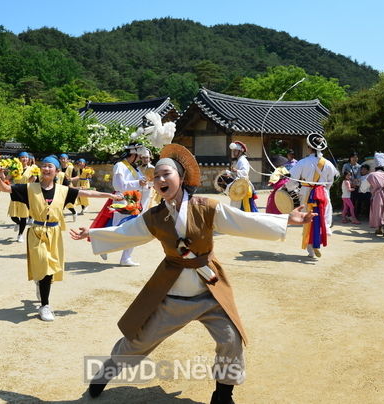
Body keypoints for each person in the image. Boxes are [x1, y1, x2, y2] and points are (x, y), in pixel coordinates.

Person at [70, 144, 315, 403]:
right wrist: (92, 234)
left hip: (210, 292)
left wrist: (287, 220)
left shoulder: (207, 207)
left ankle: (222, 395)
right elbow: (126, 232)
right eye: (156, 177)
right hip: (172, 296)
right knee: (137, 344)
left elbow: (242, 220)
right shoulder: (153, 217)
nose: (161, 180)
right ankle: (105, 373)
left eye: (167, 174)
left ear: (182, 178)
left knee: (231, 340)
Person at [0, 155, 121, 321]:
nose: (46, 169)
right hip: (36, 232)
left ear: (56, 171)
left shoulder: (63, 190)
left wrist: (109, 196)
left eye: (50, 167)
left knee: (49, 268)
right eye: (44, 166)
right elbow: (6, 189)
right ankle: (45, 305)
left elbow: (87, 192)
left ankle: (43, 295)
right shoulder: (29, 188)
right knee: (42, 264)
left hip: (54, 233)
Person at [287, 133, 339, 258]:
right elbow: (331, 181)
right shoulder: (328, 164)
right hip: (323, 194)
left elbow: (292, 179)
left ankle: (310, 248)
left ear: (309, 147)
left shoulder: (303, 162)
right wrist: (323, 189)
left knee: (308, 219)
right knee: (323, 217)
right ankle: (323, 233)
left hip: (306, 193)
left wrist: (290, 189)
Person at [107, 142, 147, 266]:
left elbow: (140, 183)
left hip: (134, 201)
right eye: (139, 155)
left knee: (133, 230)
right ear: (133, 154)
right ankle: (105, 245)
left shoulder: (134, 168)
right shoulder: (120, 166)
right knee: (117, 228)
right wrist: (137, 183)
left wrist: (147, 183)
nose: (140, 158)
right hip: (122, 201)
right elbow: (118, 186)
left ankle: (126, 257)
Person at [359, 153, 384, 235]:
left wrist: (365, 190)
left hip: (377, 195)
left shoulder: (372, 175)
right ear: (383, 167)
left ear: (375, 167)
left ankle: (379, 228)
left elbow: (363, 187)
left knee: (378, 211)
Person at [7, 152, 36, 242]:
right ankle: (18, 223)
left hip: (25, 192)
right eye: (22, 157)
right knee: (13, 215)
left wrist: (33, 178)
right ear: (19, 159)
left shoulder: (32, 169)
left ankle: (20, 235)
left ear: (28, 159)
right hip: (15, 191)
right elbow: (8, 178)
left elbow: (33, 181)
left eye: (26, 157)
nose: (24, 159)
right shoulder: (15, 168)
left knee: (23, 216)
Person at [228, 141, 257, 212]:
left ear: (240, 151)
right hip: (239, 186)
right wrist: (231, 173)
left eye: (235, 151)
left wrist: (236, 171)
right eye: (233, 151)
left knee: (243, 208)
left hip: (243, 187)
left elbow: (245, 173)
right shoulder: (239, 160)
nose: (233, 152)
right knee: (237, 207)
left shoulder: (242, 160)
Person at [57, 153, 80, 222]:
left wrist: (71, 179)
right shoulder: (58, 167)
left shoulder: (71, 168)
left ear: (67, 160)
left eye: (65, 159)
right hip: (59, 186)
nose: (63, 160)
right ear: (59, 160)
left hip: (68, 186)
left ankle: (74, 212)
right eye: (62, 159)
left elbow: (77, 177)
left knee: (69, 203)